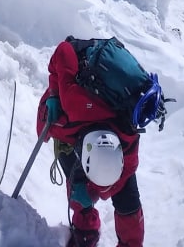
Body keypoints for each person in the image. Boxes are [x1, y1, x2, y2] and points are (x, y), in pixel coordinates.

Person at [37, 39, 147, 247]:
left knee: (127, 200)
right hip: (78, 113)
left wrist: (96, 192)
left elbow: (126, 170)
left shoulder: (126, 132)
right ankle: (85, 228)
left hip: (107, 108)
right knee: (77, 182)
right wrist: (53, 94)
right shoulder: (64, 116)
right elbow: (64, 49)